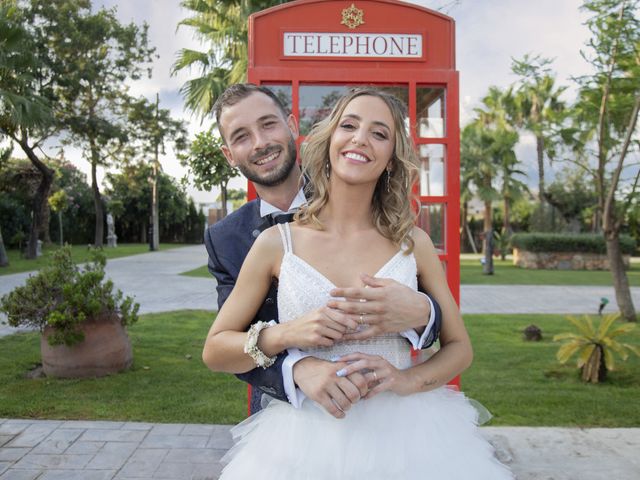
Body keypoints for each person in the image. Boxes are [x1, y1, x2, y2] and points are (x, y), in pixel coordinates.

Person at [203, 88, 514, 479]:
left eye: (380, 134)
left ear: (390, 159)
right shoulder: (271, 242)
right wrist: (289, 339)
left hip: (411, 440)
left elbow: (459, 346)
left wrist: (408, 365)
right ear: (329, 139)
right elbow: (217, 348)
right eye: (349, 125)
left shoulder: (412, 242)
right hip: (302, 438)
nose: (360, 139)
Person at [205, 84, 442, 416]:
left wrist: (424, 313)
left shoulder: (353, 177)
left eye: (268, 124)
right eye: (241, 136)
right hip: (295, 414)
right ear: (229, 154)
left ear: (292, 125)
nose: (260, 143)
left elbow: (436, 313)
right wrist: (298, 368)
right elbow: (224, 345)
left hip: (394, 416)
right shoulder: (228, 239)